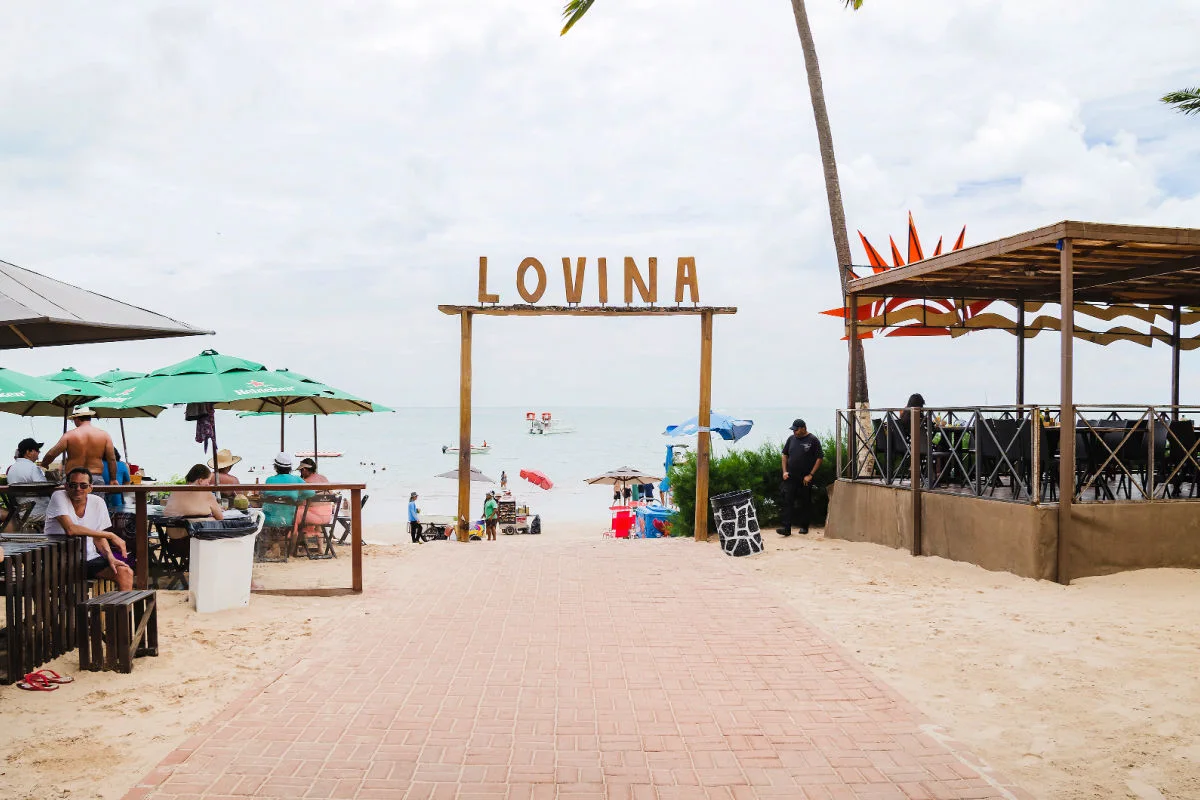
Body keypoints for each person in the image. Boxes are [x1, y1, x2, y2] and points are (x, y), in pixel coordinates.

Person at [44, 466, 134, 590]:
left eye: (83, 485)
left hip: (88, 559)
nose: (78, 489)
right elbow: (71, 529)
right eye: (73, 485)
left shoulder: (97, 502)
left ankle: (124, 604)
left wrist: (110, 557)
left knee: (125, 572)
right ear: (66, 486)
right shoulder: (58, 496)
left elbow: (98, 537)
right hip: (58, 562)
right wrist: (111, 535)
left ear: (90, 488)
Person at [40, 408, 117, 484]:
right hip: (95, 477)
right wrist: (113, 479)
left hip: (73, 477)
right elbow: (112, 459)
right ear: (89, 418)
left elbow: (52, 453)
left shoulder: (69, 435)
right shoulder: (104, 435)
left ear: (77, 419)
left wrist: (45, 464)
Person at [777, 418, 823, 536]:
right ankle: (786, 528)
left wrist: (811, 475)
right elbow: (784, 455)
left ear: (803, 428)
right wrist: (784, 471)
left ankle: (804, 526)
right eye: (793, 430)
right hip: (791, 476)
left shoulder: (813, 440)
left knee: (805, 501)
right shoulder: (791, 439)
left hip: (805, 478)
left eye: (796, 430)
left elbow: (819, 458)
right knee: (788, 500)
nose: (794, 432)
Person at [262, 452, 313, 529]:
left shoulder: (269, 480)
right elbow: (311, 492)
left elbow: (264, 495)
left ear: (276, 467)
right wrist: (297, 499)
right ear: (290, 468)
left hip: (269, 520)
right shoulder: (297, 479)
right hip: (289, 520)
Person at [7, 437, 49, 529]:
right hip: (38, 511)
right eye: (37, 450)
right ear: (28, 452)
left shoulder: (12, 469)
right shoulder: (32, 468)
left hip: (22, 512)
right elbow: (46, 488)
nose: (39, 453)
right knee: (66, 514)